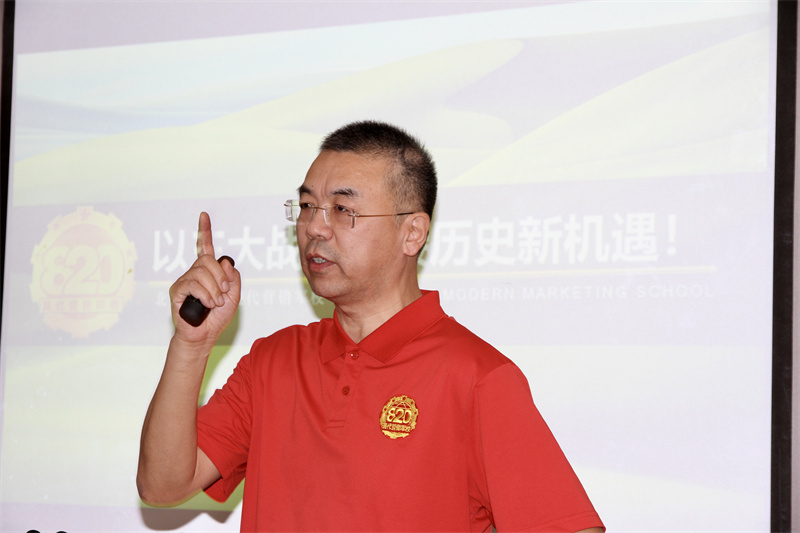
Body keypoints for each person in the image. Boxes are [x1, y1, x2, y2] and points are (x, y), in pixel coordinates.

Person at [137, 121, 605, 533]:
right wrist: (191, 346)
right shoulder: (272, 362)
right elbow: (162, 485)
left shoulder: (476, 376)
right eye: (307, 206)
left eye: (343, 210)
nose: (314, 228)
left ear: (412, 233)